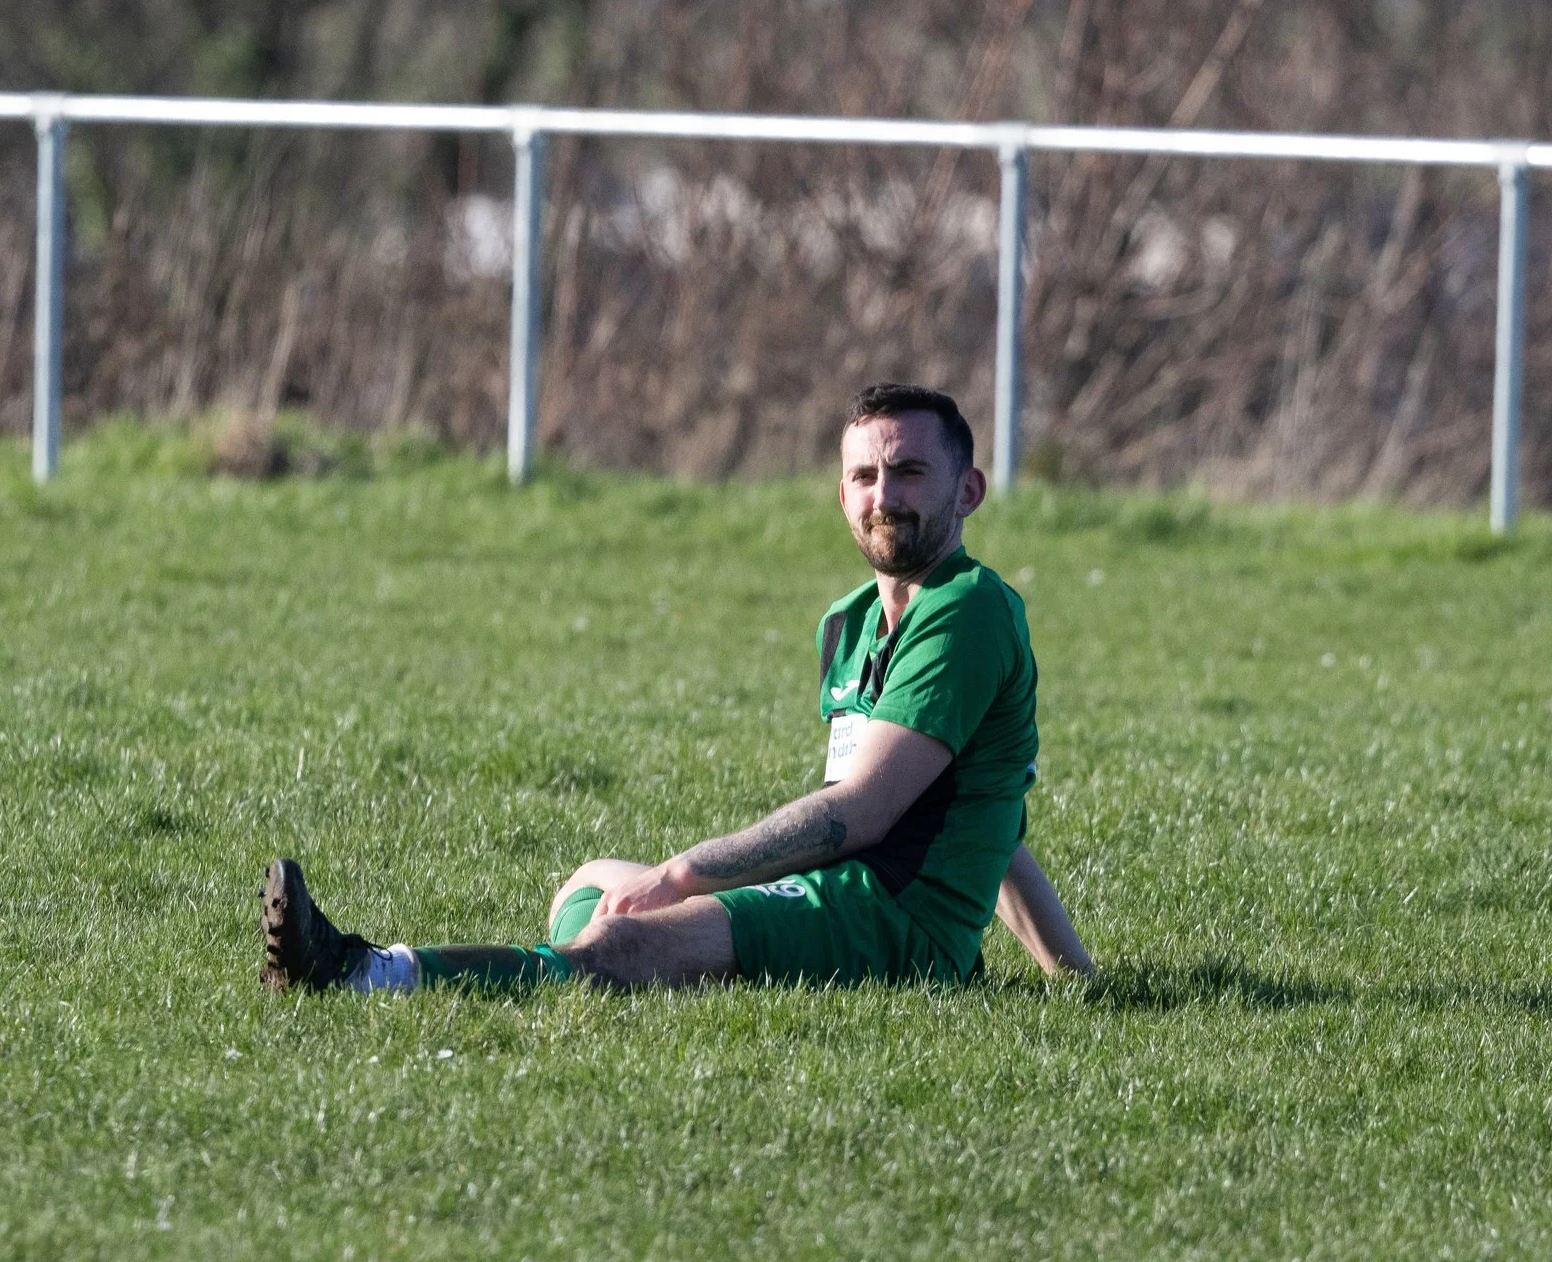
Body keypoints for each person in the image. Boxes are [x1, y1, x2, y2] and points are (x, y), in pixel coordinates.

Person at [259, 382, 1093, 993]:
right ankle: (671, 965)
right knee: (592, 887)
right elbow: (997, 823)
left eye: (910, 472)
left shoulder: (969, 610)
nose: (886, 496)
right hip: (845, 897)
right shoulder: (846, 624)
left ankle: (363, 971)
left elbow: (859, 811)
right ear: (841, 495)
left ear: (968, 490)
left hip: (893, 923)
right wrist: (1075, 978)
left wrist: (684, 875)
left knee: (618, 941)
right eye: (867, 476)